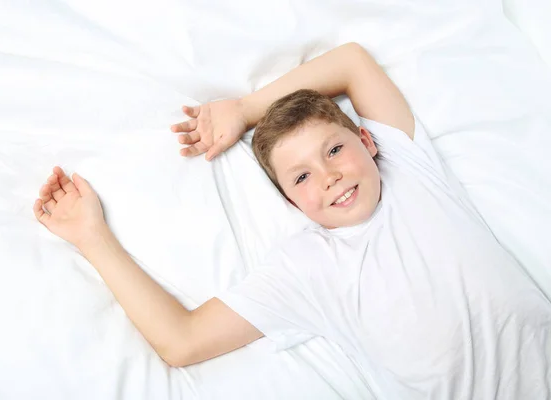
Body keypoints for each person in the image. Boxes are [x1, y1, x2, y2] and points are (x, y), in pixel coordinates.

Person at [33, 43, 551, 399]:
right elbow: (181, 340)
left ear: (368, 143)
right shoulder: (307, 268)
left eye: (334, 151)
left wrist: (245, 108)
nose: (328, 177)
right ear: (289, 201)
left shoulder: (410, 166)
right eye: (301, 178)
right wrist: (92, 237)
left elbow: (351, 62)